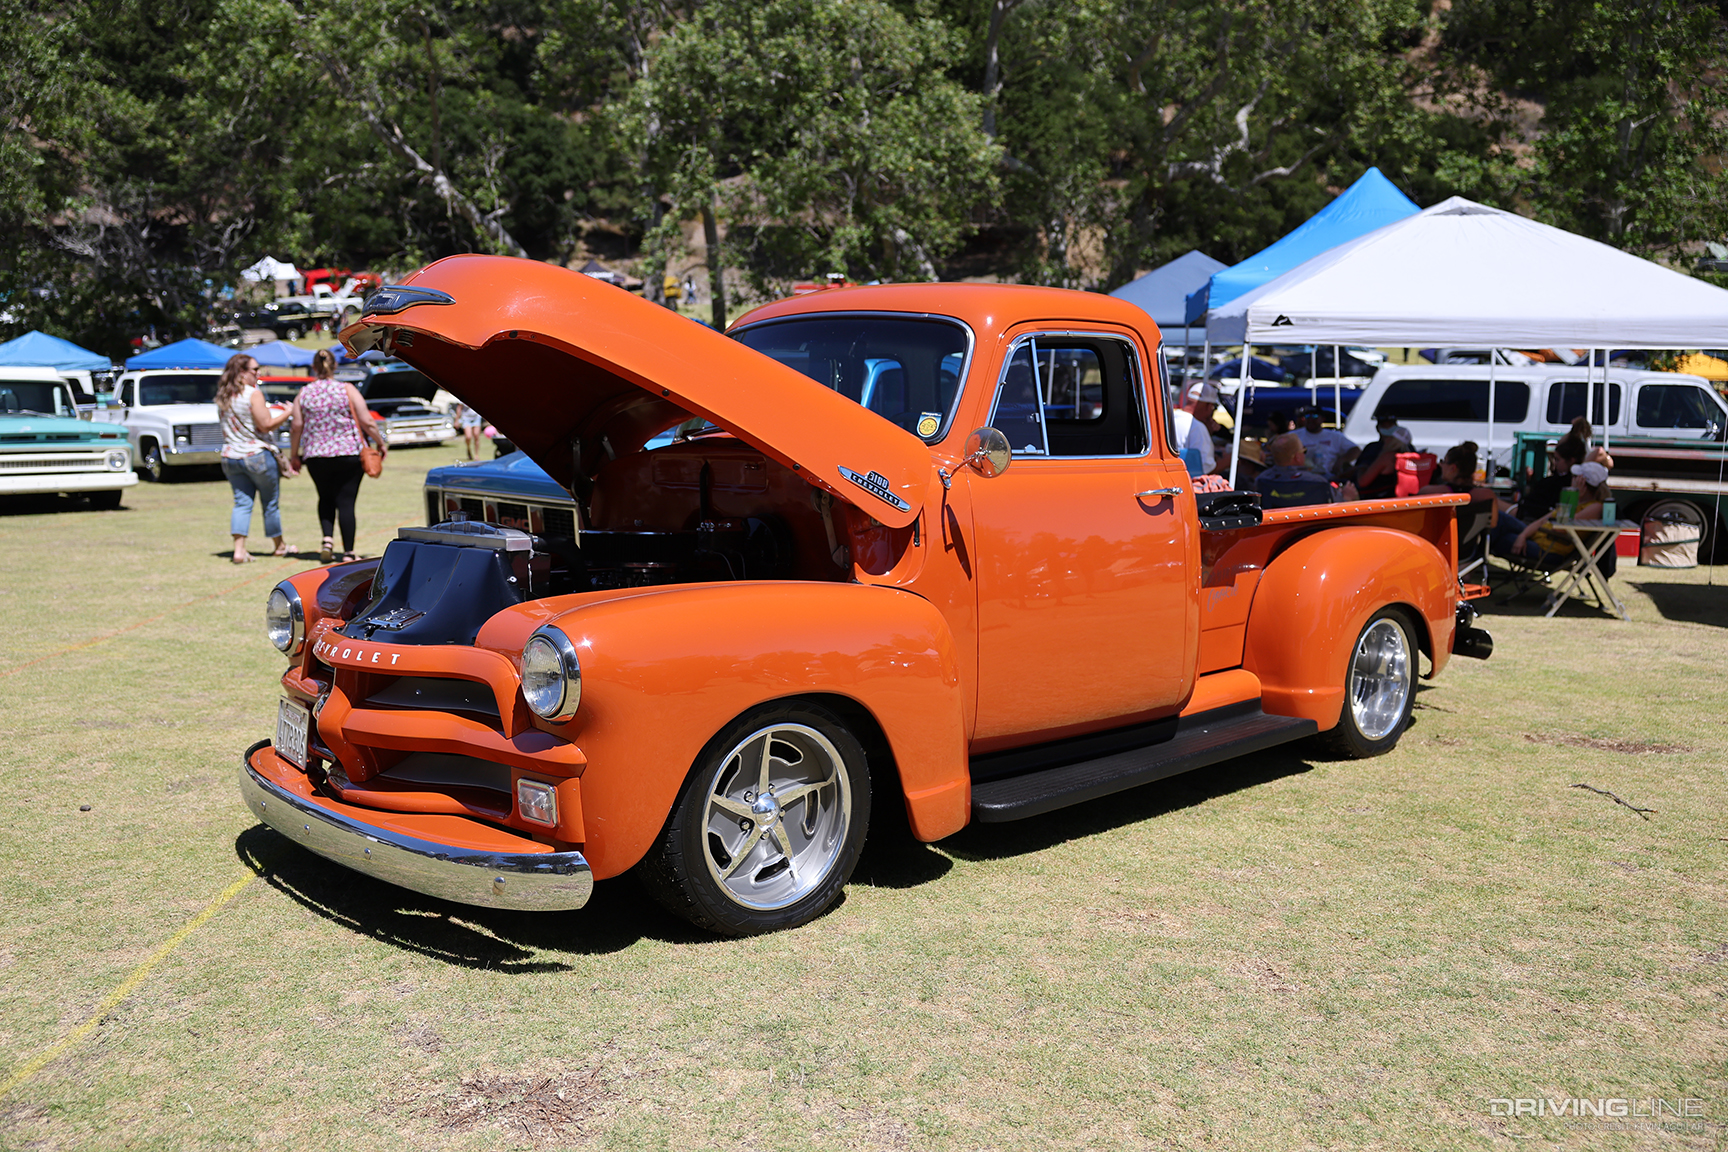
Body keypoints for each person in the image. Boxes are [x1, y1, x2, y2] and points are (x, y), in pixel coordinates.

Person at [290, 348, 385, 563]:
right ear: (335, 366)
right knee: (346, 502)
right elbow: (367, 421)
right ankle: (349, 552)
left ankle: (327, 541)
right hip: (348, 453)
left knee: (325, 497)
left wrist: (294, 454)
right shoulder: (347, 389)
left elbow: (296, 426)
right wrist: (380, 443)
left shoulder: (304, 393)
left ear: (314, 367)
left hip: (316, 455)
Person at [216, 353, 296, 564]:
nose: (258, 373)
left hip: (230, 456)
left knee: (242, 503)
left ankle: (239, 550)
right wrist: (288, 412)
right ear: (242, 373)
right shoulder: (253, 394)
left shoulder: (224, 395)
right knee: (270, 503)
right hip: (256, 455)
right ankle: (279, 546)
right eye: (254, 369)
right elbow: (266, 424)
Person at [1511, 460, 1614, 567]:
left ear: (1582, 482)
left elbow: (1561, 527)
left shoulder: (1594, 506)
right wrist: (1522, 536)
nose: (1571, 479)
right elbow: (1541, 520)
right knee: (1501, 519)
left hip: (1548, 550)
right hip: (1536, 540)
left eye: (1575, 477)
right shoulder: (1577, 503)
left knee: (1500, 526)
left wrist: (1575, 497)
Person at [1257, 433, 1358, 503]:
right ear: (1297, 457)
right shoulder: (1317, 483)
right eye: (1304, 451)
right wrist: (1347, 497)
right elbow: (1339, 508)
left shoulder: (1261, 481)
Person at [1515, 433, 1585, 521]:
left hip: (1531, 517)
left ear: (1571, 460)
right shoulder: (1573, 481)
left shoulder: (1559, 483)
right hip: (1532, 515)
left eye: (1557, 460)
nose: (1555, 463)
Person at [1352, 415, 1415, 498]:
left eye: (1388, 437)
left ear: (1393, 441)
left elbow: (1362, 482)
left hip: (1377, 498)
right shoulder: (1410, 455)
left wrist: (1361, 468)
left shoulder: (1387, 457)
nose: (1384, 439)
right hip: (1398, 497)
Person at [1292, 405, 1357, 479]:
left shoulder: (1334, 436)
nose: (1310, 419)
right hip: (1301, 478)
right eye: (1307, 416)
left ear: (1323, 419)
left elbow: (1355, 450)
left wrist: (1342, 460)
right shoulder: (1293, 436)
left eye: (1315, 416)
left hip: (1329, 478)